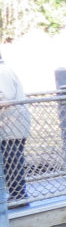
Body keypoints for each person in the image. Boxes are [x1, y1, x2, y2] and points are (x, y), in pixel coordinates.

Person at [0, 53, 30, 202]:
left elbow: (6, 96)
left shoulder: (1, 71)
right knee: (10, 160)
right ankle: (16, 195)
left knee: (12, 160)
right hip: (9, 123)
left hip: (12, 123)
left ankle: (18, 196)